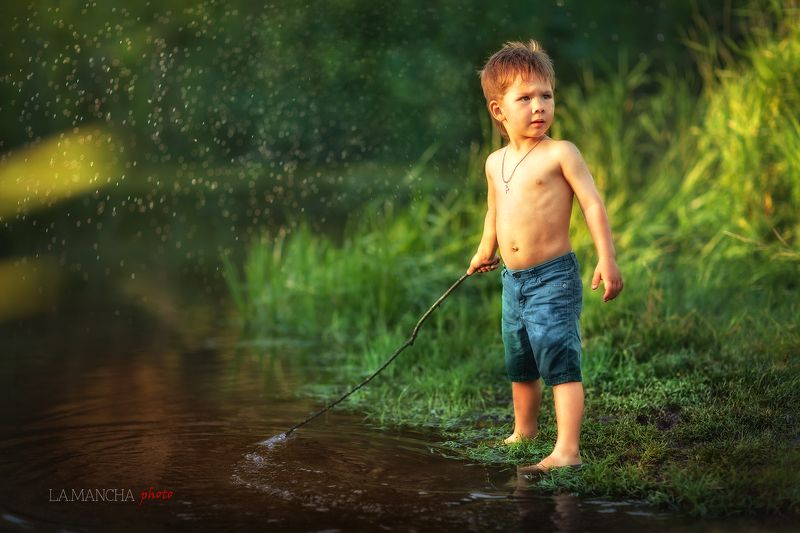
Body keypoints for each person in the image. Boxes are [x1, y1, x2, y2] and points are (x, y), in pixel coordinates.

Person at [466, 40, 623, 473]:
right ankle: (525, 430)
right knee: (521, 359)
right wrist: (485, 250)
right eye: (526, 98)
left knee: (558, 354)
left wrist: (606, 259)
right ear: (499, 111)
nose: (539, 106)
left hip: (552, 277)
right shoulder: (495, 162)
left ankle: (567, 451)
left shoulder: (561, 153)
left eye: (546, 96)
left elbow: (592, 203)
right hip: (512, 282)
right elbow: (494, 211)